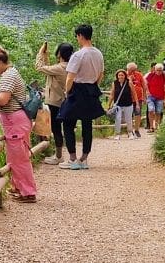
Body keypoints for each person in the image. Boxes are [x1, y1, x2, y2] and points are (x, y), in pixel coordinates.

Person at [0, 46, 37, 202]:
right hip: (16, 121)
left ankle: (28, 192)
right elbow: (5, 97)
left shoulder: (8, 76)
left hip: (15, 122)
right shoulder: (11, 73)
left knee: (20, 158)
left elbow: (3, 99)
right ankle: (20, 188)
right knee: (16, 157)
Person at [57, 23, 105, 169]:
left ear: (80, 36)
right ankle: (84, 158)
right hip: (91, 89)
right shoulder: (98, 53)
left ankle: (72, 158)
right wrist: (93, 85)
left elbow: (70, 77)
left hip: (77, 90)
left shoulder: (78, 55)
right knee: (87, 125)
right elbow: (101, 75)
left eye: (77, 36)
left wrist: (67, 92)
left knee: (67, 122)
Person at [34, 41, 73, 165]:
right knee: (67, 129)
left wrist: (40, 53)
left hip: (56, 101)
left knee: (56, 129)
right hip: (66, 101)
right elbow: (48, 68)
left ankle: (59, 156)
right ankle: (70, 156)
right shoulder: (70, 66)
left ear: (60, 53)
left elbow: (39, 67)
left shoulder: (60, 67)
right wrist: (46, 55)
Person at [108, 69, 135, 141]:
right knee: (118, 119)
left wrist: (136, 103)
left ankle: (130, 132)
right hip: (118, 105)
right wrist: (109, 105)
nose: (120, 76)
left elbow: (133, 93)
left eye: (122, 75)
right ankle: (117, 134)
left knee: (129, 119)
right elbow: (112, 94)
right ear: (117, 76)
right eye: (119, 75)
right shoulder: (115, 83)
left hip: (128, 104)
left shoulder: (129, 82)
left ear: (125, 76)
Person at [126, 63, 147, 137]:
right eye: (131, 70)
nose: (133, 72)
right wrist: (130, 79)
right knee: (129, 115)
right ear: (128, 69)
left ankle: (137, 129)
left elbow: (144, 86)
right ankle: (130, 131)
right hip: (128, 99)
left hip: (139, 98)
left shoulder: (139, 75)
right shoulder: (124, 75)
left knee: (138, 113)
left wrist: (144, 96)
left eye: (134, 70)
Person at [145, 63, 165, 132]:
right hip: (151, 96)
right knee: (151, 110)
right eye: (157, 70)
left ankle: (156, 126)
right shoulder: (151, 75)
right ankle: (151, 127)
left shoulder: (164, 76)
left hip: (160, 96)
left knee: (158, 112)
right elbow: (146, 83)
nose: (159, 72)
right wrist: (147, 91)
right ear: (155, 70)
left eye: (160, 70)